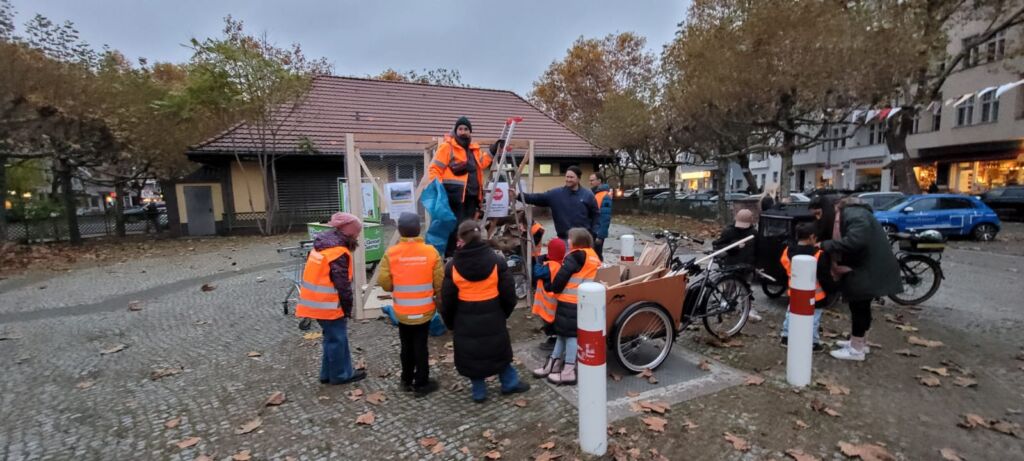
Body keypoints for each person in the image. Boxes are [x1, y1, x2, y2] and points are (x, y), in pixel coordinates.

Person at [440, 220, 530, 402]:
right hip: (493, 314)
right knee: (499, 352)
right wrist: (502, 313)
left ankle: (479, 391)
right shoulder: (497, 261)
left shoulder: (452, 266)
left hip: (465, 318)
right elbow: (509, 295)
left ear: (461, 239)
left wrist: (450, 322)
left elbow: (447, 300)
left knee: (472, 354)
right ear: (480, 235)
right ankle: (509, 383)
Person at [820, 197, 902, 361]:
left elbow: (855, 242)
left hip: (866, 270)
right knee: (861, 307)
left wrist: (826, 245)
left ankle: (856, 349)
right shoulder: (858, 214)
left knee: (859, 306)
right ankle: (858, 341)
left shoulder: (855, 216)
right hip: (869, 267)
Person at [296, 212, 366, 385]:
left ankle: (327, 374)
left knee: (331, 338)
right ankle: (341, 375)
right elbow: (342, 285)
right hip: (329, 305)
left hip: (316, 303)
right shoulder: (338, 252)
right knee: (338, 340)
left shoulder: (322, 246)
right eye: (357, 234)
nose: (357, 237)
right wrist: (347, 308)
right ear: (349, 233)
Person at [379, 213, 443, 396]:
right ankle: (421, 382)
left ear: (399, 231)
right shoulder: (431, 252)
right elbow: (439, 282)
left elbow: (385, 283)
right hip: (424, 311)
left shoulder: (391, 253)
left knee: (406, 345)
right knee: (421, 346)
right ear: (419, 229)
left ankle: (406, 379)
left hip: (402, 311)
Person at [535, 228, 601, 385]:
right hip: (582, 300)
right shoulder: (592, 256)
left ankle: (568, 370)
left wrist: (554, 288)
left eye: (570, 239)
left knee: (570, 336)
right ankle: (554, 362)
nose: (568, 242)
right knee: (563, 333)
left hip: (569, 301)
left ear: (577, 241)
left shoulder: (575, 256)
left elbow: (562, 276)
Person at [427, 116, 494, 256]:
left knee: (468, 228)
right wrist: (439, 191)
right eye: (460, 129)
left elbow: (482, 163)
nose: (463, 132)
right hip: (453, 197)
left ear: (470, 132)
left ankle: (466, 254)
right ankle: (451, 256)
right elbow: (435, 169)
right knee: (454, 228)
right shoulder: (447, 147)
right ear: (455, 131)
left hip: (472, 196)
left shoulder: (474, 149)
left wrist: (492, 151)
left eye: (466, 129)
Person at [779, 222, 829, 352]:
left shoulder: (788, 251)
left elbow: (785, 265)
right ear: (812, 237)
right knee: (813, 319)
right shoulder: (819, 254)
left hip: (794, 291)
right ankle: (812, 342)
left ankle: (786, 336)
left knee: (791, 313)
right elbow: (824, 276)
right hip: (816, 296)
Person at [515, 166, 599, 240]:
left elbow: (596, 215)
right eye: (567, 177)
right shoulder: (556, 194)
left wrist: (594, 233)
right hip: (564, 239)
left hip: (583, 240)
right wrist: (518, 196)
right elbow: (537, 198)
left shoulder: (587, 195)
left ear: (578, 178)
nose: (568, 179)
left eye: (571, 177)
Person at [531, 237, 565, 352]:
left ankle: (552, 340)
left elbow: (537, 273)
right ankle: (554, 337)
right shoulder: (561, 264)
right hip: (556, 301)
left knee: (550, 323)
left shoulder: (549, 266)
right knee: (554, 321)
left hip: (548, 303)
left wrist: (538, 263)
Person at [589, 172, 613, 260]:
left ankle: (601, 272)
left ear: (599, 181)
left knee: (597, 255)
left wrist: (600, 235)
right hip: (592, 230)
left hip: (597, 232)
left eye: (592, 180)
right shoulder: (594, 194)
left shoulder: (605, 196)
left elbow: (605, 217)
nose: (590, 182)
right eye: (590, 180)